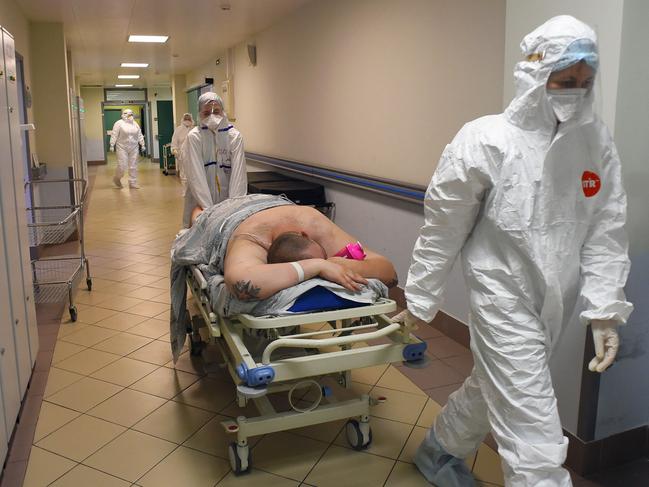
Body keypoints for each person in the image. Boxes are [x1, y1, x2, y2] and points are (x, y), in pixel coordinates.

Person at [392, 15, 633, 487]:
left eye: (586, 83)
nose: (576, 91)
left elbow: (607, 226)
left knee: (494, 384)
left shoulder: (595, 142)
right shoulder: (486, 139)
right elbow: (444, 225)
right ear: (536, 75)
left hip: (556, 295)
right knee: (533, 427)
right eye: (565, 81)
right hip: (500, 289)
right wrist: (419, 300)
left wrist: (605, 309)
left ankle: (438, 451)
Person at [189, 202, 397, 300]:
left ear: (305, 235)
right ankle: (199, 211)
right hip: (229, 215)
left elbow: (389, 272)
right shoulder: (250, 239)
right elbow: (241, 284)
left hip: (269, 201)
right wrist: (317, 266)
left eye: (321, 257)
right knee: (201, 218)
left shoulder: (313, 222)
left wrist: (340, 264)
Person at [181, 92, 247, 227]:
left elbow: (239, 176)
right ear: (199, 114)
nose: (212, 116)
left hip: (227, 197)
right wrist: (208, 210)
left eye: (216, 111)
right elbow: (195, 176)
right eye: (206, 113)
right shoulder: (194, 137)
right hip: (200, 201)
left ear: (223, 111)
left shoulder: (234, 137)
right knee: (200, 235)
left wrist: (234, 207)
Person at [110, 108, 145, 189]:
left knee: (133, 166)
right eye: (127, 113)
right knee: (122, 165)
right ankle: (117, 178)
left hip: (134, 147)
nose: (129, 115)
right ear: (123, 114)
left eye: (131, 114)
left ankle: (133, 182)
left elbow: (139, 134)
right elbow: (114, 134)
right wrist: (112, 144)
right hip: (122, 147)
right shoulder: (119, 123)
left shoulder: (135, 124)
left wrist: (142, 144)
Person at [170, 112, 195, 193]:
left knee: (194, 174)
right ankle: (185, 191)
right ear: (183, 120)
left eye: (189, 119)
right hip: (182, 155)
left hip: (194, 156)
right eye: (186, 119)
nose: (187, 120)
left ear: (191, 119)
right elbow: (174, 142)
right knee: (184, 174)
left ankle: (193, 192)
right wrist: (174, 150)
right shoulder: (178, 130)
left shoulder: (195, 130)